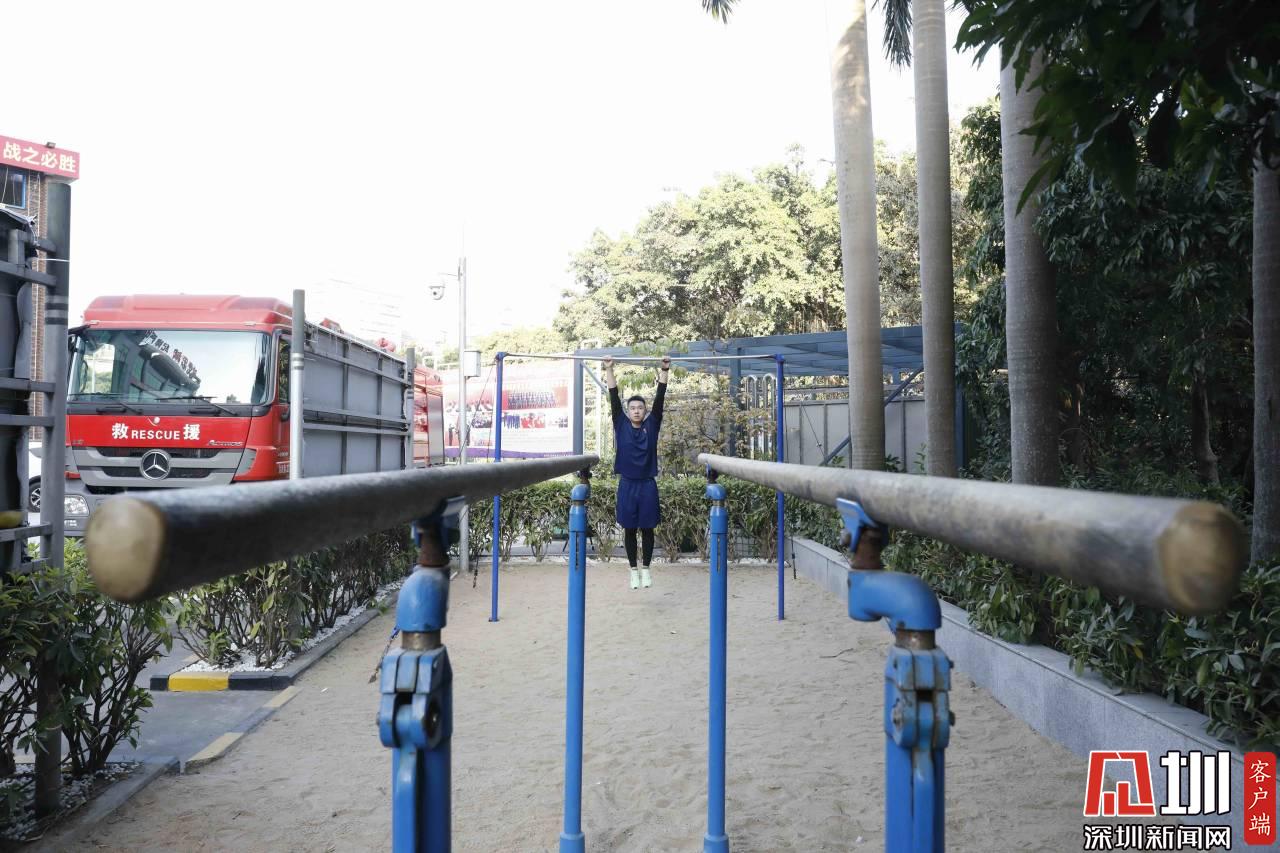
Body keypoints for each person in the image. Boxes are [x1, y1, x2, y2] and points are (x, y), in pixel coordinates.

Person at [603, 355, 670, 589]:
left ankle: (647, 569)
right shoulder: (620, 424)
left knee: (648, 529)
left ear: (645, 411)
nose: (636, 411)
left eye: (640, 408)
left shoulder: (652, 425)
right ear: (628, 411)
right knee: (630, 529)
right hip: (627, 484)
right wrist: (609, 369)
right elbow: (613, 395)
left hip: (647, 485)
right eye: (632, 408)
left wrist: (664, 370)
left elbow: (660, 397)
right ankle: (633, 570)